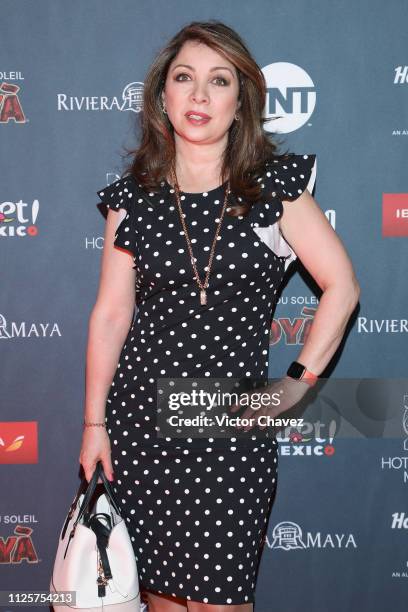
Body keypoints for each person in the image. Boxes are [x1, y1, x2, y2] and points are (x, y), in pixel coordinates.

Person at [79, 20, 360, 612]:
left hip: (233, 428)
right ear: (163, 96)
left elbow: (342, 287)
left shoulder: (273, 189)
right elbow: (110, 315)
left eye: (218, 81)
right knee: (158, 599)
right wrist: (93, 424)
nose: (200, 96)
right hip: (140, 427)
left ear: (242, 101)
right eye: (185, 78)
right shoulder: (132, 198)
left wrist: (296, 384)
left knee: (220, 603)